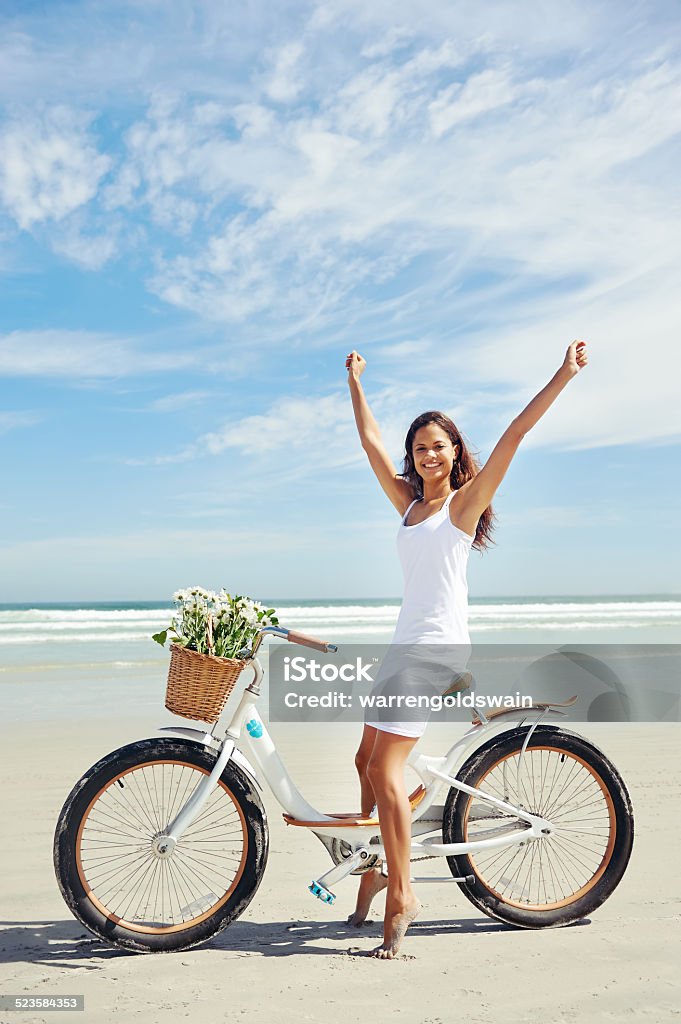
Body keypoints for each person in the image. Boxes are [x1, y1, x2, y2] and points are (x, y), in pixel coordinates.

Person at [344, 340, 589, 959]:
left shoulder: (461, 505)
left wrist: (562, 374)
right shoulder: (409, 505)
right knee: (364, 759)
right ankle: (377, 862)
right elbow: (372, 446)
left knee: (385, 769)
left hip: (436, 646)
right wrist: (356, 384)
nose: (428, 454)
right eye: (420, 447)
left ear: (455, 454)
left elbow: (515, 432)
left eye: (439, 445)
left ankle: (404, 894)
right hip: (408, 643)